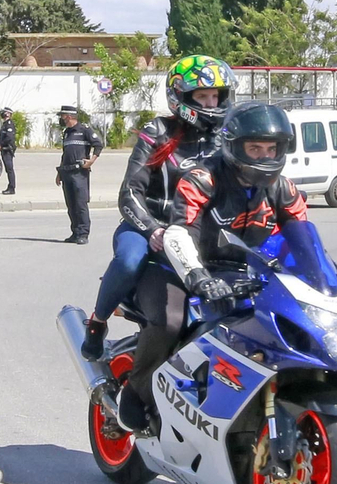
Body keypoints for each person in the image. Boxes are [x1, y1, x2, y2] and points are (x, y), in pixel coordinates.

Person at [116, 102, 308, 433]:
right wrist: (199, 277)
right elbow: (180, 233)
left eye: (270, 148)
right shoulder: (203, 178)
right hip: (180, 267)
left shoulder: (284, 189)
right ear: (235, 147)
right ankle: (137, 390)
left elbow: (303, 239)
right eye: (254, 148)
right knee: (170, 321)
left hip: (244, 274)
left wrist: (325, 277)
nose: (263, 156)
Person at [82, 55, 234, 360]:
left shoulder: (223, 141)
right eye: (202, 96)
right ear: (182, 98)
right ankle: (97, 323)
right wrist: (153, 229)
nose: (211, 102)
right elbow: (129, 193)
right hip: (148, 225)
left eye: (215, 95)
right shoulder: (158, 131)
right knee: (128, 261)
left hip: (194, 231)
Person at [56, 105, 103, 244]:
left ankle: (83, 234)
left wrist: (91, 161)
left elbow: (98, 145)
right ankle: (75, 232)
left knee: (80, 204)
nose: (61, 119)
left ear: (69, 116)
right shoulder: (67, 133)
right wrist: (59, 172)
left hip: (79, 173)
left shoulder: (84, 130)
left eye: (63, 116)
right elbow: (65, 153)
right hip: (67, 172)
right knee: (71, 205)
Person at [0, 107, 17, 194]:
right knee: (8, 170)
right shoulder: (4, 124)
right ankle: (10, 186)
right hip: (4, 150)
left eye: (5, 112)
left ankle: (12, 188)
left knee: (10, 169)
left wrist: (1, 145)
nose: (3, 113)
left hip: (7, 150)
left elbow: (9, 138)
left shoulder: (9, 124)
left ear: (9, 114)